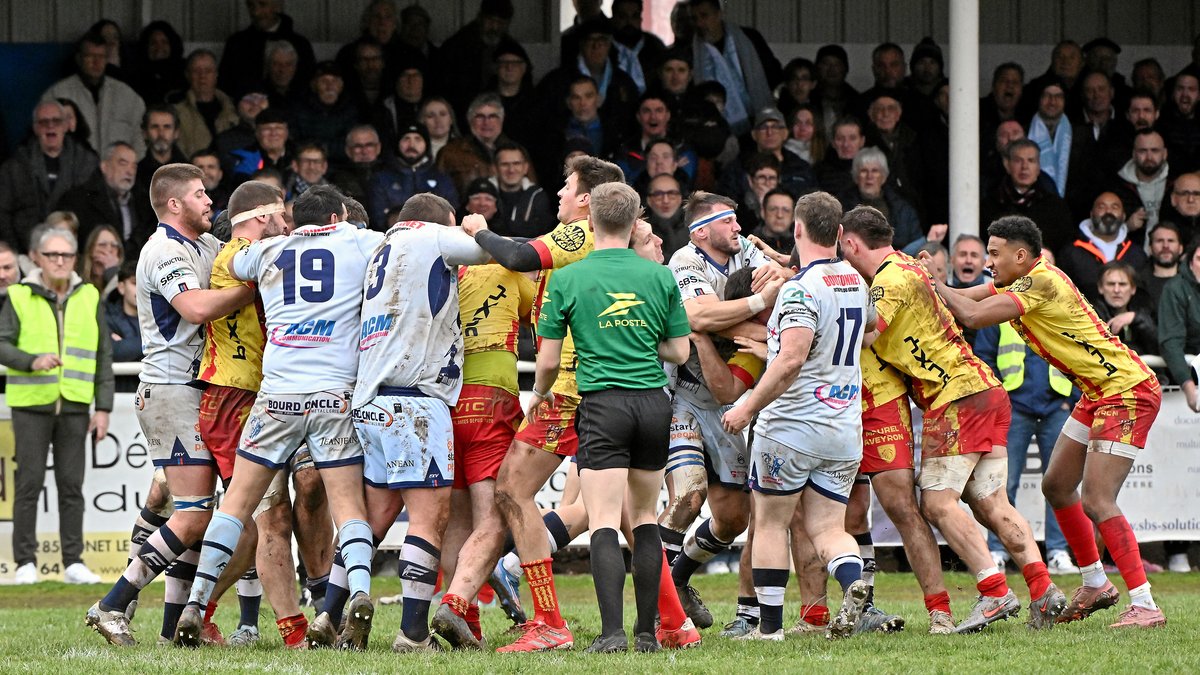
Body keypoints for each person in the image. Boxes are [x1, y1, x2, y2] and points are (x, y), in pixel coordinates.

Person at [173, 185, 384, 649]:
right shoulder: (358, 241)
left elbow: (235, 258)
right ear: (338, 217)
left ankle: (196, 603)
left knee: (235, 505)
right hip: (333, 396)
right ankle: (359, 593)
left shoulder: (267, 251)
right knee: (348, 506)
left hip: (276, 397)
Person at [839, 206, 1066, 634]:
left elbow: (865, 335)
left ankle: (994, 591)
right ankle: (1043, 587)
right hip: (986, 389)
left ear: (851, 244)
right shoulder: (909, 265)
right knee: (991, 503)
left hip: (954, 396)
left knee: (937, 504)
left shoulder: (889, 280)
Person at [934, 215, 1167, 629]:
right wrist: (930, 284)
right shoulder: (1022, 279)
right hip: (1099, 391)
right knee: (1056, 485)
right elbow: (965, 296)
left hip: (1126, 390)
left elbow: (970, 314)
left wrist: (933, 282)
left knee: (1097, 500)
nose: (989, 262)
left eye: (994, 254)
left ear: (1021, 255)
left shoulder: (1040, 282)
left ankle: (1145, 604)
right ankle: (1095, 583)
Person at [460, 155, 625, 652]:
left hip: (570, 388)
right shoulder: (618, 247)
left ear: (587, 200)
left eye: (566, 186)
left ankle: (549, 621)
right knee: (622, 511)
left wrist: (479, 232)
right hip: (617, 388)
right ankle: (673, 622)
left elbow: (515, 256)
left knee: (512, 490)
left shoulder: (579, 233)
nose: (558, 194)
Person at [85, 163, 255, 647]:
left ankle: (170, 631)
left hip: (198, 390)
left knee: (199, 516)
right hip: (170, 390)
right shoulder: (163, 251)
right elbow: (195, 309)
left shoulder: (205, 245)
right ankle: (112, 604)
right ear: (175, 203)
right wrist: (250, 289)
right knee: (196, 513)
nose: (210, 201)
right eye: (200, 194)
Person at [532, 182, 691, 652]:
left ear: (591, 220)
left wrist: (539, 394)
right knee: (643, 517)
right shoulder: (659, 276)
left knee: (603, 519)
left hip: (603, 405)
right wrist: (641, 340)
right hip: (653, 404)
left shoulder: (568, 278)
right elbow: (680, 351)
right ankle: (646, 634)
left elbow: (547, 362)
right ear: (635, 219)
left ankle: (612, 634)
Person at [721, 190, 872, 640]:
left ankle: (769, 629)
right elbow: (869, 331)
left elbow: (789, 360)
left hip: (791, 428)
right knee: (828, 528)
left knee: (770, 523)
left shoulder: (799, 290)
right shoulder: (856, 281)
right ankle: (853, 582)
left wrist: (746, 407)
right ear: (839, 233)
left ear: (798, 229)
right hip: (843, 427)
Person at [662, 191, 788, 630]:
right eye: (727, 221)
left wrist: (781, 274)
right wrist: (759, 305)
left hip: (727, 399)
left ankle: (678, 578)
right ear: (701, 232)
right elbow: (698, 317)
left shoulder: (746, 250)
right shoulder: (684, 261)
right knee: (688, 497)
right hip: (683, 395)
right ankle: (658, 606)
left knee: (734, 519)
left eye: (736, 220)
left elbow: (788, 284)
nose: (738, 227)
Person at [0, 226, 113, 585]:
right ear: (37, 257)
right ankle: (25, 563)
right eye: (52, 255)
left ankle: (73, 562)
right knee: (29, 484)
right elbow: (1, 344)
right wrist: (31, 361)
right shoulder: (18, 295)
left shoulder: (89, 295)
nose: (60, 261)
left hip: (76, 403)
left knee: (71, 486)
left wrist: (103, 408)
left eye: (66, 254)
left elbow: (103, 354)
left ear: (75, 258)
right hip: (31, 403)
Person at [974, 248, 1081, 576]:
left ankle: (1058, 552)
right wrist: (1000, 400)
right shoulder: (1001, 302)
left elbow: (1082, 352)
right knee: (1002, 484)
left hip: (1056, 405)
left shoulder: (1065, 304)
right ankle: (998, 551)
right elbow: (984, 356)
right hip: (1014, 408)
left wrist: (1071, 398)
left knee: (1060, 486)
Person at [0, 101, 97, 255]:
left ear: (66, 126)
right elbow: (3, 214)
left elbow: (93, 214)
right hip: (25, 254)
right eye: (44, 122)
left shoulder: (86, 162)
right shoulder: (15, 166)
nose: (50, 126)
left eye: (56, 121)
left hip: (73, 255)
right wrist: (15, 253)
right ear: (35, 128)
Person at [43, 30, 147, 157]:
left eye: (101, 56)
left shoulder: (128, 96)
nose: (96, 62)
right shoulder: (57, 94)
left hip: (118, 168)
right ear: (79, 59)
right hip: (75, 168)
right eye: (90, 56)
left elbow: (140, 142)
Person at [55, 141, 157, 266]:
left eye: (134, 166)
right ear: (104, 166)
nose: (130, 171)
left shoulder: (145, 204)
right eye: (123, 163)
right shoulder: (78, 200)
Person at [219, 0, 316, 99]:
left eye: (262, 4)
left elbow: (309, 87)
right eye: (251, 5)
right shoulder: (236, 44)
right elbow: (224, 87)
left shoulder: (300, 45)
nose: (256, 12)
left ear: (277, 5)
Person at [172, 50, 241, 159]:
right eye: (196, 71)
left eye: (208, 71)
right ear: (187, 75)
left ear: (216, 74)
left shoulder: (235, 109)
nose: (202, 76)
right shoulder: (176, 113)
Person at [493, 141, 554, 238]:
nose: (511, 170)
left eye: (516, 163)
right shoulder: (482, 195)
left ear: (525, 167)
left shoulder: (538, 196)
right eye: (504, 164)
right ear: (495, 169)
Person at [137, 105, 189, 188]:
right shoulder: (137, 173)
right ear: (145, 133)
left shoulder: (189, 171)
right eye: (155, 127)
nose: (161, 133)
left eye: (167, 127)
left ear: (176, 132)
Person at [106, 261, 142, 362]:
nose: (141, 289)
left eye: (146, 284)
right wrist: (156, 343)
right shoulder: (107, 318)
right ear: (121, 287)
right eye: (135, 283)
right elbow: (113, 351)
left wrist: (126, 345)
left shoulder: (162, 316)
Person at [78, 224, 123, 296]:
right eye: (102, 245)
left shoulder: (125, 282)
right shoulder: (77, 281)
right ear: (91, 249)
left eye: (114, 246)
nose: (109, 249)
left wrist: (112, 271)